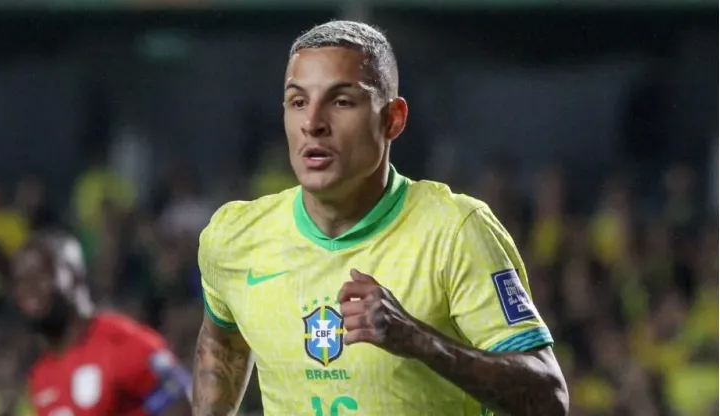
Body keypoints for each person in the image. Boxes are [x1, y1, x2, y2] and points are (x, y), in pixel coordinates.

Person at [193, 20, 569, 416]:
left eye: (341, 101)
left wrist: (420, 341)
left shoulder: (456, 231)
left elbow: (548, 399)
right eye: (298, 101)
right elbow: (221, 345)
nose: (313, 123)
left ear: (393, 119)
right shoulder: (234, 237)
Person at [9, 229, 192, 416]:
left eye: (40, 276)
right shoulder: (41, 375)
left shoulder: (121, 342)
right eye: (20, 282)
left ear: (75, 276)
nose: (28, 290)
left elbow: (184, 405)